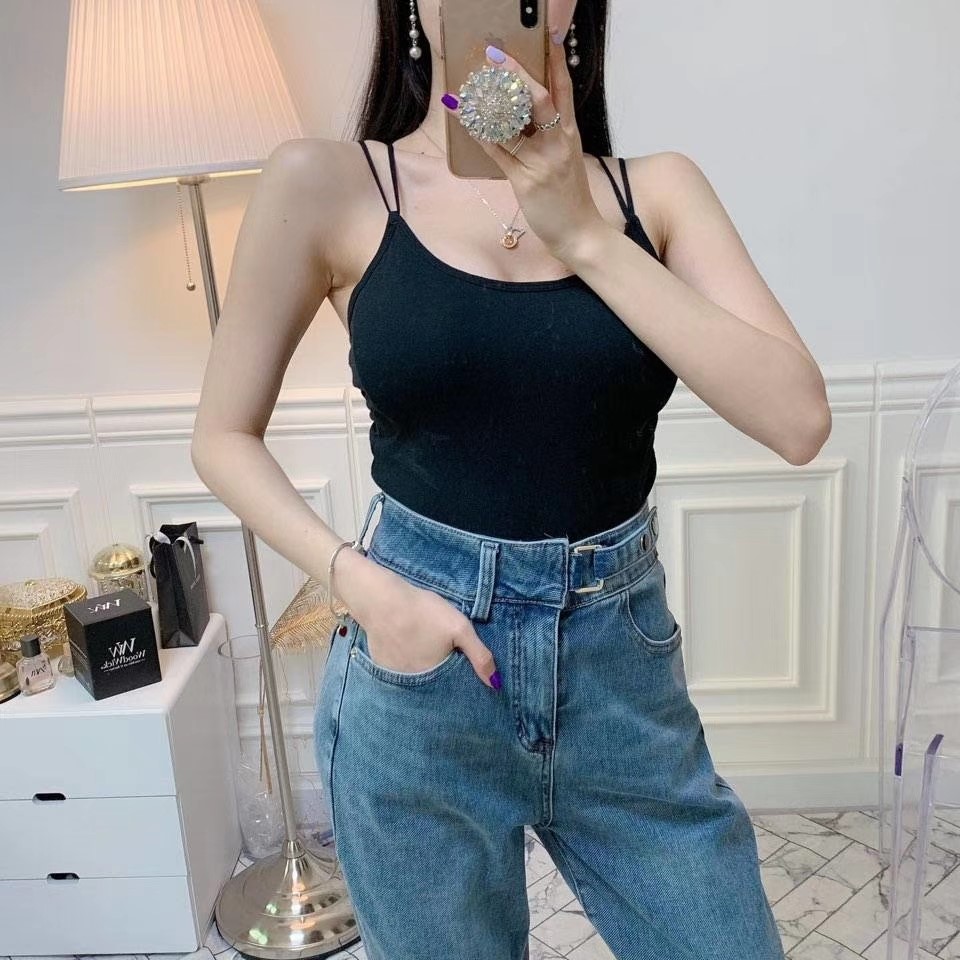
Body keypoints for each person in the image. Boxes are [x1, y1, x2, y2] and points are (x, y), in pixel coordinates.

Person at [191, 1, 830, 957]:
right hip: (420, 671)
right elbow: (222, 436)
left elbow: (798, 419)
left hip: (620, 674)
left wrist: (585, 236)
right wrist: (368, 591)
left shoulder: (655, 193)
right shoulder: (328, 183)